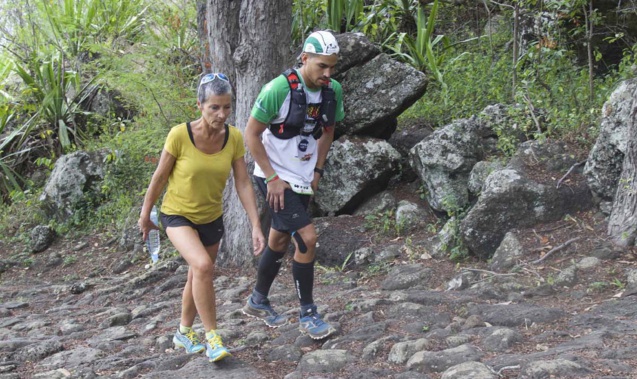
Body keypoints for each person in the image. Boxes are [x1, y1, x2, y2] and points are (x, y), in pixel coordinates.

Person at [138, 73, 265, 362]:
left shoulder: (233, 137)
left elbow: (243, 182)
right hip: (177, 215)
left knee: (197, 274)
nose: (222, 114)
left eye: (227, 107)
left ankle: (183, 332)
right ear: (200, 105)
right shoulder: (180, 135)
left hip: (211, 218)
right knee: (204, 266)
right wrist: (146, 214)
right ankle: (213, 338)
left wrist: (255, 224)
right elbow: (159, 178)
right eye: (214, 108)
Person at [242, 30, 345, 340]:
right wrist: (272, 179)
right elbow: (251, 135)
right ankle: (308, 313)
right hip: (273, 178)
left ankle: (258, 300)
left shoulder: (332, 90)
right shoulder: (278, 89)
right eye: (321, 67)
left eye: (332, 67)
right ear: (305, 59)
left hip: (303, 177)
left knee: (279, 240)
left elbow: (328, 130)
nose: (327, 74)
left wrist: (318, 170)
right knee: (307, 238)